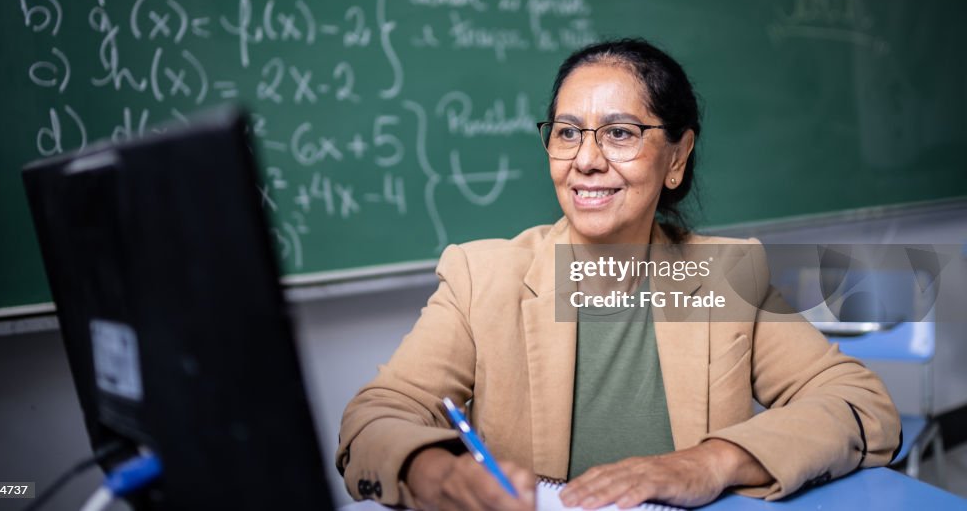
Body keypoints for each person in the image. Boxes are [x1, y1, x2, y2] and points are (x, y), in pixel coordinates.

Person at [336, 38, 900, 510]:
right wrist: (445, 477)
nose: (586, 159)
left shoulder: (724, 277)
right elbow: (372, 420)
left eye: (620, 133)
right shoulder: (481, 277)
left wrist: (709, 463)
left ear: (677, 158)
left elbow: (862, 405)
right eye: (566, 132)